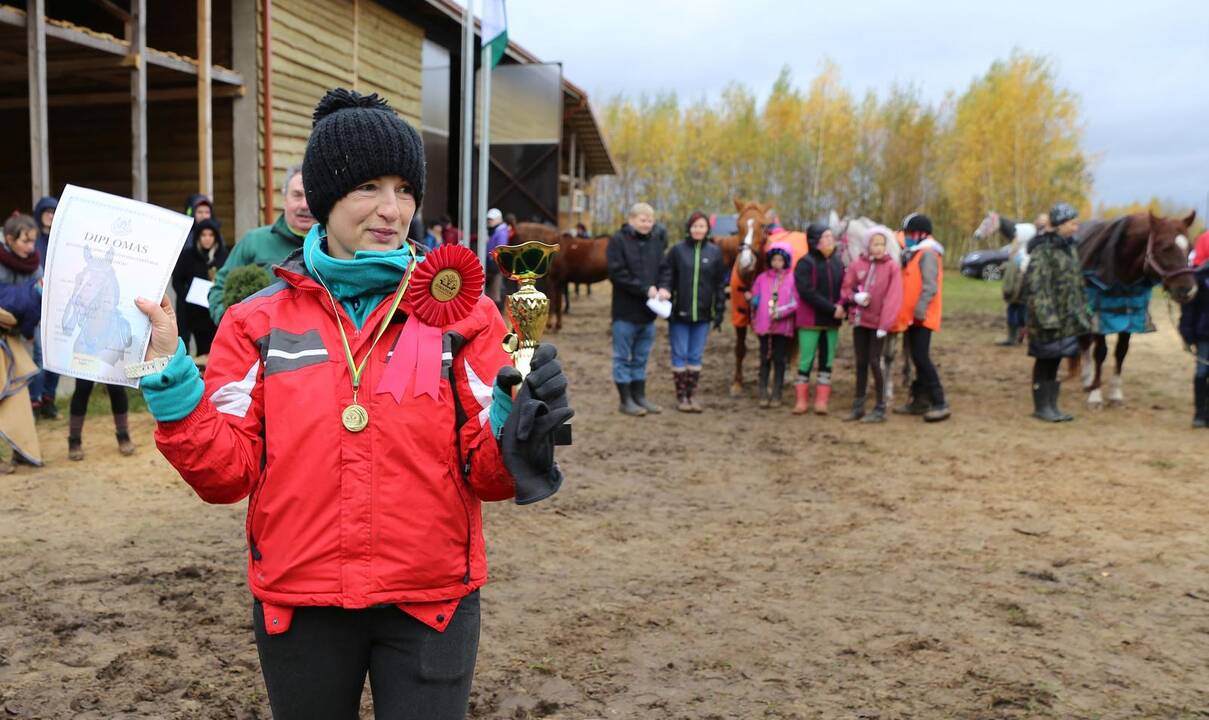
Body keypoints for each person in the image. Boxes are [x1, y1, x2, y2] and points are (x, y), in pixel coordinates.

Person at [133, 88, 571, 719]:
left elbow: (489, 474)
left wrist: (515, 419)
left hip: (431, 603)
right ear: (325, 194)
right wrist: (172, 378)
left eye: (404, 188)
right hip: (301, 600)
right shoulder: (257, 324)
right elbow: (225, 475)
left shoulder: (466, 316)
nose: (392, 209)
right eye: (368, 186)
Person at [207, 165, 316, 324]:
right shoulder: (254, 241)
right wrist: (229, 324)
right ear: (284, 199)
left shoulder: (331, 245)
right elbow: (220, 288)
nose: (305, 205)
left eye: (310, 196)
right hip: (260, 343)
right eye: (297, 195)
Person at [1023, 203, 1091, 422]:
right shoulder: (1043, 250)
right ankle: (1042, 407)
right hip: (1047, 319)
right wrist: (1047, 318)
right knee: (1045, 360)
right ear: (1060, 225)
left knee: (1055, 360)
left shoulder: (1070, 249)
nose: (1075, 227)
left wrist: (1081, 311)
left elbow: (1076, 283)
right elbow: (1037, 286)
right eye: (1072, 223)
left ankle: (1052, 406)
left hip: (1066, 318)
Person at [656, 211, 726, 412]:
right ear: (689, 228)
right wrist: (665, 289)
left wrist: (719, 309)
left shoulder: (714, 252)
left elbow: (719, 284)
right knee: (679, 354)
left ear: (707, 229)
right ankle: (681, 398)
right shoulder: (677, 250)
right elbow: (666, 274)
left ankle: (691, 395)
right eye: (695, 226)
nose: (698, 229)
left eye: (702, 226)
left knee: (695, 356)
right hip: (679, 312)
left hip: (703, 314)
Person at [607, 202, 665, 416]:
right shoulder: (618, 241)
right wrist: (644, 289)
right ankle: (625, 400)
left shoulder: (656, 242)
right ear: (631, 220)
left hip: (648, 314)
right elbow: (616, 273)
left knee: (641, 357)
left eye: (650, 220)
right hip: (625, 313)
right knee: (622, 357)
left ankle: (639, 396)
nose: (647, 224)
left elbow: (664, 269)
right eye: (643, 219)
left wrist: (665, 287)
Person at [891, 213, 950, 422]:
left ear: (920, 234)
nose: (905, 237)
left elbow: (930, 286)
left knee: (922, 358)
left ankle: (940, 401)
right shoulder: (915, 253)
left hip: (922, 317)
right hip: (913, 317)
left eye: (908, 234)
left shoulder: (927, 254)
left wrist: (919, 309)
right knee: (917, 357)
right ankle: (919, 400)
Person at [839, 226, 902, 423]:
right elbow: (846, 288)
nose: (879, 248)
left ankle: (880, 406)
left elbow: (894, 297)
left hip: (878, 324)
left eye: (882, 244)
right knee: (860, 362)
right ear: (868, 245)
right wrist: (854, 297)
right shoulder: (857, 264)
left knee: (875, 361)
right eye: (875, 244)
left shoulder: (891, 267)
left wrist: (885, 324)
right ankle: (858, 405)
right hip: (860, 321)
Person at [792, 223, 844, 415]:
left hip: (832, 323)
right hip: (810, 321)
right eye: (826, 236)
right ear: (815, 240)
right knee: (806, 360)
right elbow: (806, 292)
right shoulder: (805, 263)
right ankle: (801, 400)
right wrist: (832, 308)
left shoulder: (838, 262)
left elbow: (844, 288)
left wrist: (843, 305)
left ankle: (822, 401)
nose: (830, 240)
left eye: (831, 236)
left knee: (827, 361)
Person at [171, 218, 228, 359]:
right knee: (190, 347)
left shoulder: (223, 255)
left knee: (215, 349)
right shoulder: (188, 255)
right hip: (193, 312)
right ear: (198, 237)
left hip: (214, 311)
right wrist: (187, 296)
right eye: (203, 235)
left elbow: (228, 278)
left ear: (215, 237)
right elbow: (177, 280)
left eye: (210, 235)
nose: (207, 239)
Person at [749, 242, 797, 408]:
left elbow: (795, 303)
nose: (777, 263)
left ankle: (777, 391)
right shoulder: (762, 279)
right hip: (764, 325)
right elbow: (756, 296)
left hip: (782, 328)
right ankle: (762, 390)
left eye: (780, 260)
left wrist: (781, 312)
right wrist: (753, 301)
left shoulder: (792, 279)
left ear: (786, 261)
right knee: (764, 358)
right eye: (774, 260)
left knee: (780, 359)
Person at [32, 196, 59, 419]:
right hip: (38, 305)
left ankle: (50, 399)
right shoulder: (34, 241)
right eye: (46, 211)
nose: (50, 215)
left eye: (54, 211)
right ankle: (36, 401)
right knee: (40, 357)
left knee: (57, 357)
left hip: (59, 305)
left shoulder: (61, 238)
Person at [1181, 234, 1209, 427]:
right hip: (1204, 333)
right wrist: (1186, 333)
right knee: (1202, 371)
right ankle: (1200, 413)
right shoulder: (1198, 278)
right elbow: (1189, 309)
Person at [485, 208, 509, 306]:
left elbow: (501, 249)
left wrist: (495, 262)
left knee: (496, 291)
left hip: (496, 264)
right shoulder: (496, 231)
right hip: (494, 263)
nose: (489, 222)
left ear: (499, 219)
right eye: (488, 219)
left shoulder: (501, 232)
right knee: (495, 290)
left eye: (491, 219)